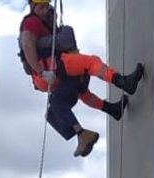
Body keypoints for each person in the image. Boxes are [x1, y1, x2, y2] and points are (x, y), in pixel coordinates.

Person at [19, 0, 144, 157]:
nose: (46, 12)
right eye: (43, 8)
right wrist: (42, 72)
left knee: (79, 91)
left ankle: (108, 112)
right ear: (32, 6)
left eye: (48, 9)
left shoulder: (50, 29)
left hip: (47, 76)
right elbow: (27, 46)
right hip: (52, 69)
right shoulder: (32, 22)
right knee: (89, 62)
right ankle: (123, 82)